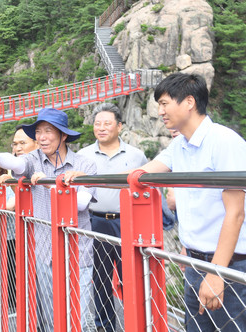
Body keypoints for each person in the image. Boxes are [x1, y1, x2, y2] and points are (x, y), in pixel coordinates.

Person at [66, 73, 246, 331]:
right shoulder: (180, 146)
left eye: (164, 103)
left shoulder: (224, 142)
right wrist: (89, 177)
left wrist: (217, 272)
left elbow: (236, 214)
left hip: (226, 264)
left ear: (189, 102)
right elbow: (138, 175)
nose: (159, 111)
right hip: (194, 262)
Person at [0, 107, 96, 331]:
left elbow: (81, 203)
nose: (42, 138)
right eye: (39, 132)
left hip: (77, 251)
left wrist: (51, 183)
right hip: (44, 249)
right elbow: (19, 164)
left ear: (63, 135)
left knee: (78, 318)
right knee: (53, 316)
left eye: (48, 131)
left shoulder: (85, 165)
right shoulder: (34, 159)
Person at [77, 103, 148, 332]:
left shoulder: (136, 155)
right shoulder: (83, 156)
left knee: (132, 277)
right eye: (97, 123)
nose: (101, 128)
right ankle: (104, 327)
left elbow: (149, 189)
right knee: (100, 278)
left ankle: (136, 324)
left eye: (107, 123)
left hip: (128, 222)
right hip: (94, 221)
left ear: (119, 126)